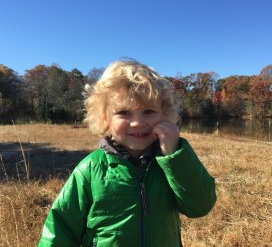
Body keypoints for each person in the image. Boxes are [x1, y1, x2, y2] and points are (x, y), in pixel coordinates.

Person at [38, 59, 216, 247]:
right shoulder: (90, 169)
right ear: (105, 118)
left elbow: (200, 206)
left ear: (164, 115)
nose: (137, 122)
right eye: (124, 112)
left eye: (148, 111)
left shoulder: (172, 161)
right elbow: (60, 229)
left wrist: (174, 155)